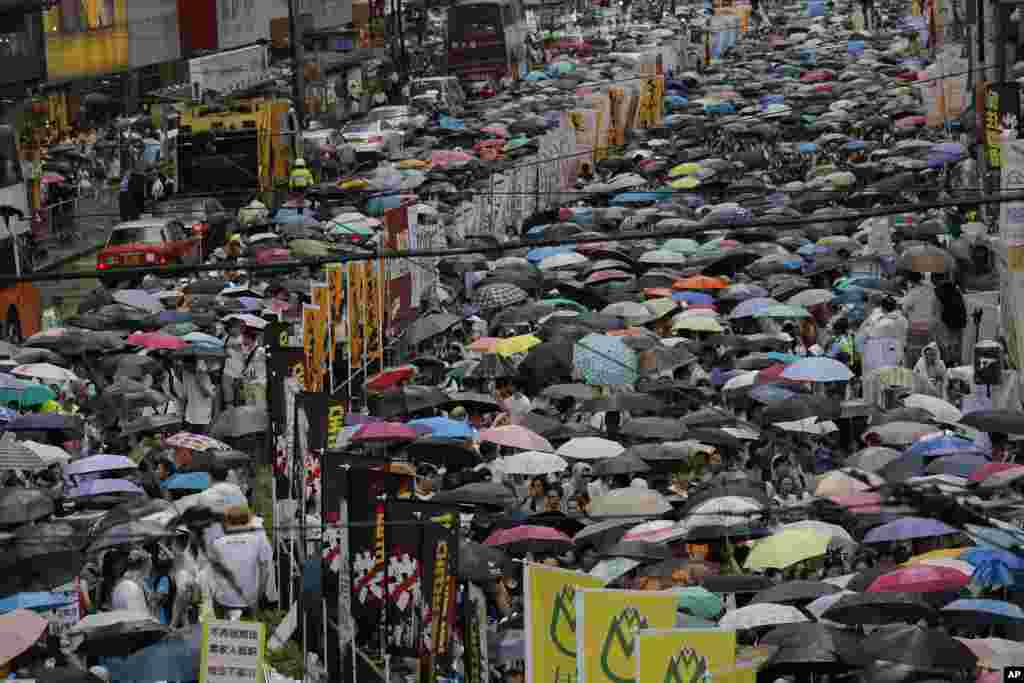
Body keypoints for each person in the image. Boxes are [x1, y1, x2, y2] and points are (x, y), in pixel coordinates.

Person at [205, 505, 277, 618]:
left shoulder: (217, 543)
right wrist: (259, 595)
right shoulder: (257, 541)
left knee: (222, 629)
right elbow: (265, 571)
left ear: (227, 522)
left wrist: (215, 595)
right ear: (247, 521)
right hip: (250, 598)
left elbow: (212, 574)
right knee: (253, 630)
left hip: (224, 600)